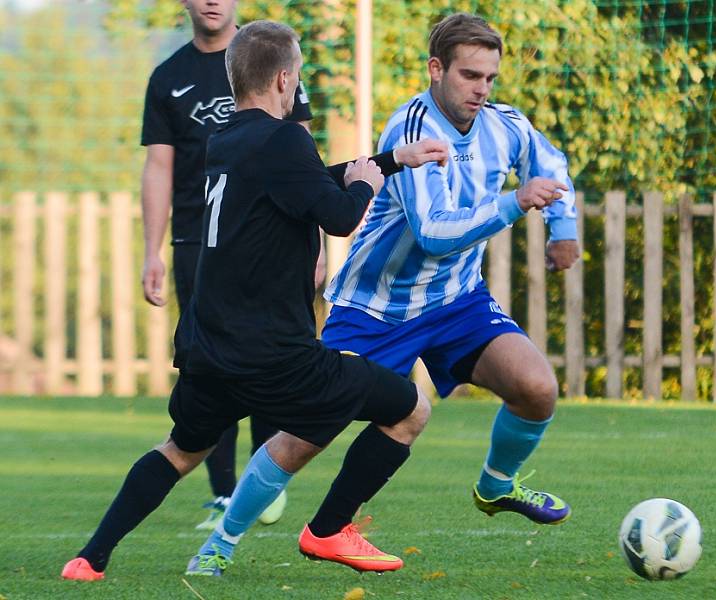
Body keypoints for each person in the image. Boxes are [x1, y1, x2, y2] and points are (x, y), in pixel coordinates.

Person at [61, 20, 449, 582]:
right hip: (274, 355)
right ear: (285, 78)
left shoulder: (228, 139)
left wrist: (390, 161)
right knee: (410, 408)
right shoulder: (285, 137)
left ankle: (90, 558)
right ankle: (329, 530)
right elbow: (338, 216)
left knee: (179, 450)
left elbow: (305, 181)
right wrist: (367, 184)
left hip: (209, 347)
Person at [297, 12, 580, 561]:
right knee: (308, 429)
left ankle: (497, 486)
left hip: (453, 301)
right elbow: (432, 234)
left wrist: (563, 229)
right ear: (436, 69)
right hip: (376, 305)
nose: (482, 89)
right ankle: (223, 541)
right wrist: (516, 202)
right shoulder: (412, 129)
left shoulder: (506, 125)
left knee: (537, 389)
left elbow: (550, 163)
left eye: (490, 78)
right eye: (470, 75)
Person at [140, 0, 311, 529]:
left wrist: (319, 245)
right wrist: (152, 249)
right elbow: (159, 165)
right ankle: (221, 493)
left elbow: (301, 144)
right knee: (209, 364)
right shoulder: (169, 78)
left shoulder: (268, 54)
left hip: (270, 236)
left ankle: (265, 479)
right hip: (199, 242)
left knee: (270, 353)